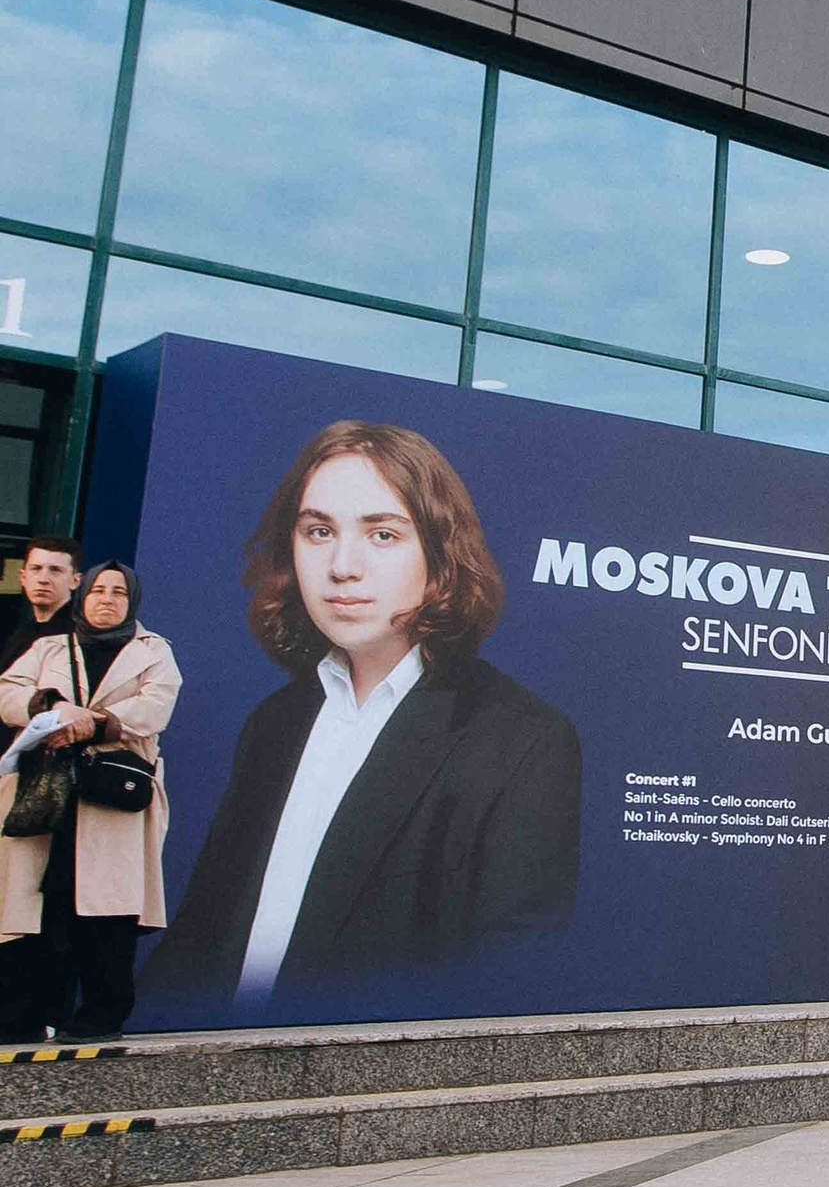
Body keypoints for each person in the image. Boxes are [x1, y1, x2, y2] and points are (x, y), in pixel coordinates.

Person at [152, 421, 581, 1018]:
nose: (342, 566)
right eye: (319, 531)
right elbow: (204, 932)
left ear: (440, 557)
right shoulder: (276, 721)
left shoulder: (521, 739)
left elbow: (510, 974)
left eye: (382, 534)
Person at [0, 559, 182, 1041]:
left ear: (132, 602)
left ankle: (101, 1014)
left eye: (118, 593)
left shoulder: (154, 651)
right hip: (47, 792)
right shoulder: (49, 647)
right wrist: (52, 708)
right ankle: (25, 1014)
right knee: (38, 905)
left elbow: (156, 705)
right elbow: (8, 691)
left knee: (106, 909)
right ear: (83, 597)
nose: (107, 599)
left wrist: (96, 723)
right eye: (99, 590)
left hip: (109, 797)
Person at [0, 533, 81, 678]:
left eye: (55, 570)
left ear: (75, 581)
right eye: (36, 568)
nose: (43, 579)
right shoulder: (19, 635)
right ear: (23, 577)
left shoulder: (81, 635)